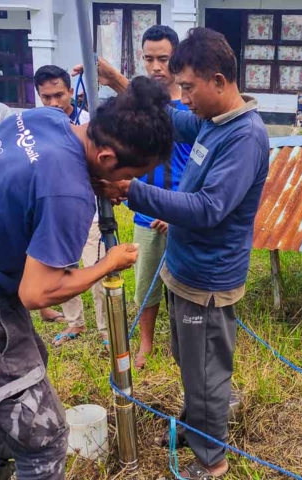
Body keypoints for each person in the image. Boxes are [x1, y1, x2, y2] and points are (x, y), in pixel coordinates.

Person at [0, 77, 173, 480]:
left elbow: (32, 178)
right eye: (133, 174)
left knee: (24, 382)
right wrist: (107, 263)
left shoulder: (45, 119)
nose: (125, 186)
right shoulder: (67, 193)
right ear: (107, 159)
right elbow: (37, 292)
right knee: (43, 437)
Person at [88, 28, 270, 479]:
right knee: (190, 361)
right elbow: (167, 116)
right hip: (185, 271)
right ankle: (199, 422)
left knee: (205, 373)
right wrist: (117, 84)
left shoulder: (243, 137)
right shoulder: (211, 120)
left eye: (188, 87)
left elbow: (209, 209)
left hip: (208, 281)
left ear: (219, 81)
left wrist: (135, 191)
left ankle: (212, 462)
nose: (183, 97)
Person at [32, 64, 108, 348]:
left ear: (71, 94)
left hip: (90, 212)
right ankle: (75, 322)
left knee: (98, 270)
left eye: (59, 95)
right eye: (46, 97)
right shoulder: (36, 124)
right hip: (53, 213)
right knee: (61, 270)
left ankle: (105, 330)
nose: (53, 103)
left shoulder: (90, 122)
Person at [131, 25, 192, 369]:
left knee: (184, 286)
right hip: (145, 213)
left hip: (183, 213)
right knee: (146, 284)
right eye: (149, 59)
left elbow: (202, 166)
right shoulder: (137, 106)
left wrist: (178, 211)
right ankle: (145, 346)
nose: (156, 67)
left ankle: (181, 346)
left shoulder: (190, 106)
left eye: (163, 59)